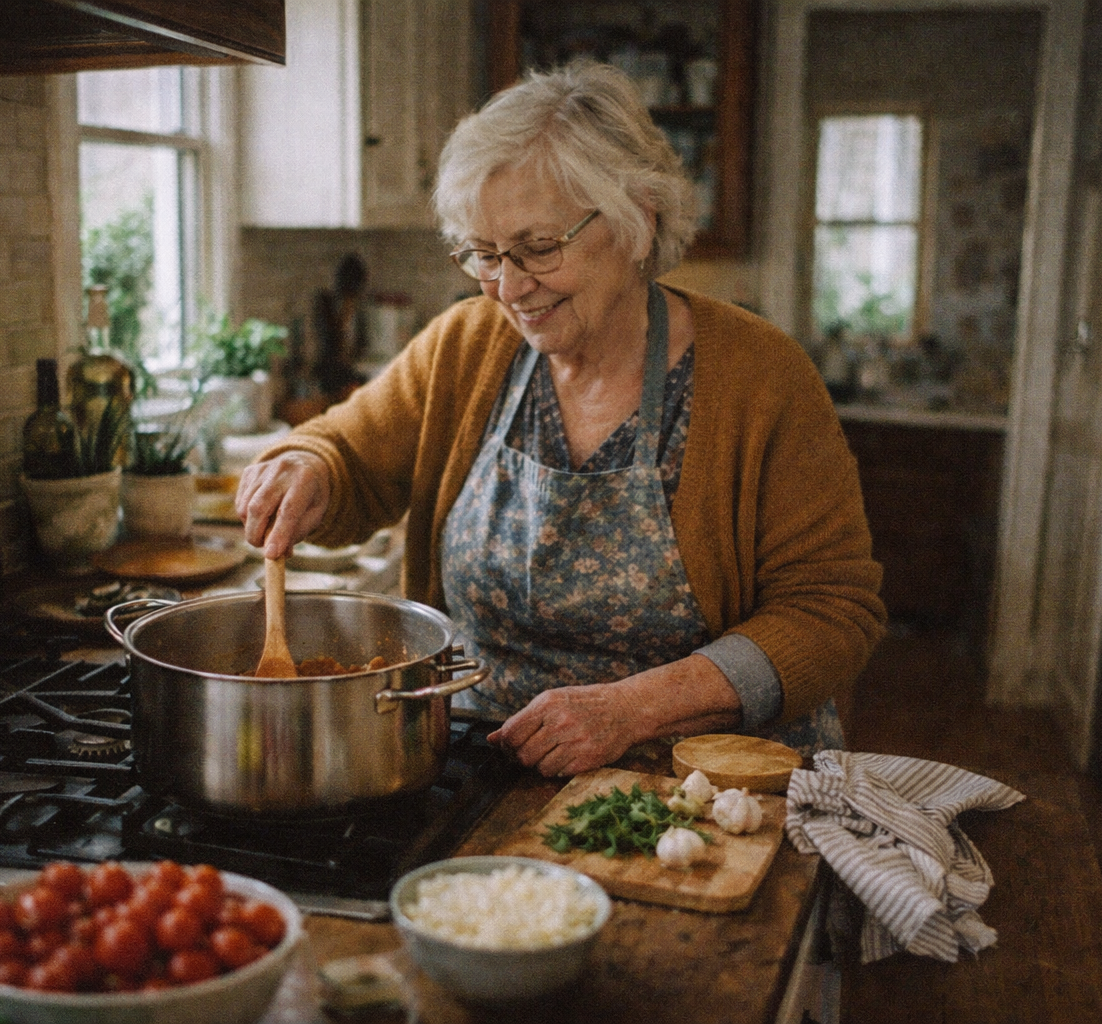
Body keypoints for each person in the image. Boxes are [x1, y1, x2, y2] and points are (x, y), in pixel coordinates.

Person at [236, 61, 886, 777]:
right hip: (485, 770)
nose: (509, 288)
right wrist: (306, 467)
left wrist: (634, 709)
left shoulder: (761, 376)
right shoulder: (467, 345)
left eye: (539, 248)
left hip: (702, 787)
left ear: (638, 219)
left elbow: (830, 613)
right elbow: (346, 454)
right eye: (484, 255)